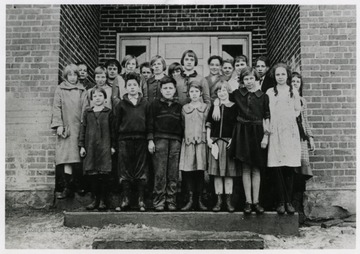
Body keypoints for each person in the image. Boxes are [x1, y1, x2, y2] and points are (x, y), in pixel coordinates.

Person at [229, 67, 270, 214]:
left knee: (256, 168)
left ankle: (256, 201)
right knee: (246, 168)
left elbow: (267, 117)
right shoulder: (237, 94)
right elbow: (222, 100)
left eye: (252, 78)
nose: (249, 82)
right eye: (246, 79)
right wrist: (215, 105)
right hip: (242, 133)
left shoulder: (263, 96)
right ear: (242, 81)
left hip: (258, 132)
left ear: (257, 79)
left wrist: (266, 136)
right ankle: (247, 201)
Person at [266, 63, 301, 215]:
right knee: (277, 165)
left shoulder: (292, 91)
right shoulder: (269, 92)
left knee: (289, 166)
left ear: (288, 75)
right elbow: (267, 112)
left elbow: (297, 110)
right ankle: (281, 201)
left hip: (289, 131)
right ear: (274, 76)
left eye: (283, 74)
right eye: (278, 74)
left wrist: (289, 120)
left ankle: (289, 201)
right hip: (275, 131)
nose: (280, 77)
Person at [51, 63, 89, 199]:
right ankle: (67, 186)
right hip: (66, 128)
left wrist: (85, 126)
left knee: (78, 156)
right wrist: (59, 125)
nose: (73, 78)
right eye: (70, 75)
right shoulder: (60, 89)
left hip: (79, 127)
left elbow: (85, 108)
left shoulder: (82, 90)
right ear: (66, 76)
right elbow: (57, 108)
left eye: (75, 75)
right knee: (67, 157)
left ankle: (78, 184)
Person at [113, 72, 149, 212]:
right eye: (129, 85)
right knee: (125, 169)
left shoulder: (145, 104)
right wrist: (115, 144)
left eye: (135, 85)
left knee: (141, 169)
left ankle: (141, 200)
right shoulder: (121, 104)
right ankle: (125, 199)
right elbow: (116, 125)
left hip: (141, 139)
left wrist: (148, 138)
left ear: (139, 87)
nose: (132, 87)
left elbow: (150, 123)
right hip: (124, 140)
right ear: (125, 87)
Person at [148, 76, 183, 212]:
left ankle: (171, 200)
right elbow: (150, 124)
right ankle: (159, 201)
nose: (168, 91)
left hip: (175, 141)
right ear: (161, 90)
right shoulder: (154, 105)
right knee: (160, 172)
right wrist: (150, 140)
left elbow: (182, 125)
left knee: (173, 172)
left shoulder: (179, 107)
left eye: (170, 88)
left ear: (175, 90)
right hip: (160, 140)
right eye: (165, 88)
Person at [79, 87, 115, 210]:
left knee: (104, 174)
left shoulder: (108, 112)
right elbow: (83, 129)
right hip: (91, 147)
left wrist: (113, 146)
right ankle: (95, 199)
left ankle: (103, 201)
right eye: (95, 96)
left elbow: (113, 131)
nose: (97, 98)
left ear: (105, 98)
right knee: (92, 174)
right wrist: (82, 146)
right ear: (91, 99)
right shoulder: (88, 112)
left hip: (105, 146)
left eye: (100, 96)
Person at [206, 80, 239, 212]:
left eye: (224, 90)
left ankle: (228, 201)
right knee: (218, 173)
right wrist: (208, 139)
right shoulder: (214, 107)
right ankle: (218, 201)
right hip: (215, 142)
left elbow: (236, 126)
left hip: (228, 142)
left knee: (228, 173)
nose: (222, 93)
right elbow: (209, 124)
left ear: (228, 91)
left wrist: (233, 139)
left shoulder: (234, 106)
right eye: (219, 91)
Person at [179, 81, 210, 211]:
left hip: (201, 142)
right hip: (188, 142)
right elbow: (182, 125)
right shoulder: (185, 108)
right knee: (188, 171)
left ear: (201, 93)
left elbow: (209, 124)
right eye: (192, 91)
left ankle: (200, 199)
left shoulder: (206, 107)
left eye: (196, 91)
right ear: (188, 93)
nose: (194, 94)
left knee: (200, 170)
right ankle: (190, 199)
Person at [291, 72, 315, 213]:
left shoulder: (302, 100)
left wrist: (310, 137)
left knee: (301, 171)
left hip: (301, 139)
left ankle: (299, 206)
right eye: (292, 81)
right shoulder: (286, 99)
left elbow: (305, 120)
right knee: (291, 171)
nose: (295, 84)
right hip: (289, 138)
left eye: (297, 82)